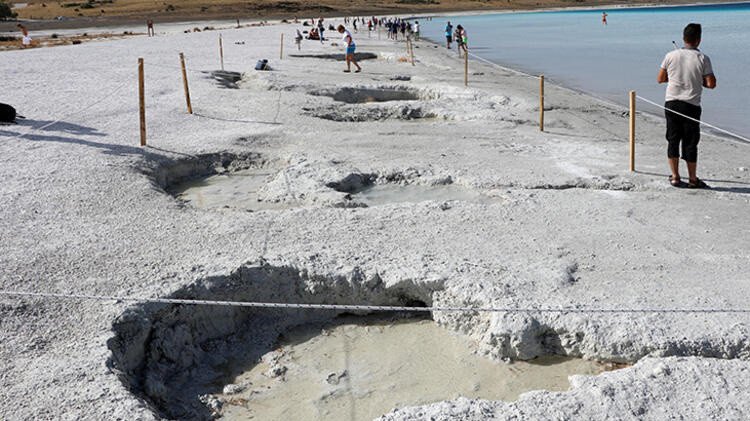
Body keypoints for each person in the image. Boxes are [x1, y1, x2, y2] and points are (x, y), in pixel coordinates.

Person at [657, 23, 716, 189]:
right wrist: (700, 80)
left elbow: (660, 78)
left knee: (673, 139)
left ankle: (675, 177)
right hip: (691, 105)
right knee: (690, 142)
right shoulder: (703, 58)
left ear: (684, 39)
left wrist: (675, 78)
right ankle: (692, 178)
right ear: (699, 40)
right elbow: (711, 84)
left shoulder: (670, 55)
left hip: (672, 103)